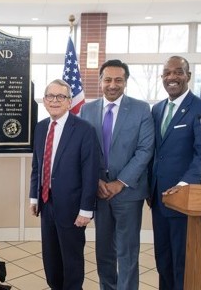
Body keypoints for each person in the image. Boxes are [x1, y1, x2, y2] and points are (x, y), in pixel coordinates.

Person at [79, 59, 154, 290]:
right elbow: (83, 150)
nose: (113, 85)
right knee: (104, 252)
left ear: (126, 82)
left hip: (128, 193)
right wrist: (96, 181)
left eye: (118, 80)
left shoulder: (141, 109)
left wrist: (120, 183)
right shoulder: (87, 109)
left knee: (128, 252)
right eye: (108, 79)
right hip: (99, 192)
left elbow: (145, 150)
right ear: (100, 81)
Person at [150, 56, 201, 290]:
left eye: (178, 72)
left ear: (188, 76)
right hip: (159, 200)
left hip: (184, 199)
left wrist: (182, 186)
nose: (172, 77)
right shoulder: (157, 109)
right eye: (167, 73)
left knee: (182, 262)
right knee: (163, 261)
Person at [29, 79, 100, 290]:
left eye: (61, 96)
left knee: (71, 259)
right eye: (50, 96)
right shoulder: (41, 128)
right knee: (50, 257)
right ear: (44, 101)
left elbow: (90, 172)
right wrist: (34, 197)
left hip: (72, 207)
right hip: (46, 203)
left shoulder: (84, 130)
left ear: (69, 102)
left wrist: (86, 209)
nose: (55, 100)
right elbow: (37, 166)